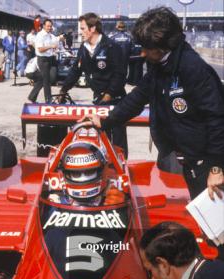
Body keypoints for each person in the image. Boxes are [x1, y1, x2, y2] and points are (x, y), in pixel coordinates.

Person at [87, 7, 224, 204]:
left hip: (206, 163)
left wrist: (216, 168)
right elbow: (137, 97)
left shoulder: (193, 69)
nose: (142, 53)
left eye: (145, 48)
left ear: (162, 47)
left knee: (213, 226)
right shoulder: (159, 66)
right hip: (181, 156)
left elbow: (217, 119)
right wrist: (106, 122)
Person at [59, 13, 127, 155]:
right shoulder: (84, 48)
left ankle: (122, 171)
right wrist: (63, 90)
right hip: (98, 99)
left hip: (116, 100)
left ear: (93, 28)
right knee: (103, 139)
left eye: (83, 28)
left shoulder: (111, 46)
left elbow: (120, 74)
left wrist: (109, 94)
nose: (80, 32)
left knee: (118, 142)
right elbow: (75, 71)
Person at [47, 125, 126, 206]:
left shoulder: (113, 191)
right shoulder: (55, 199)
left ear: (102, 171)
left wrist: (119, 206)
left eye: (89, 172)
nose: (83, 178)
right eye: (76, 174)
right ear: (66, 174)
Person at [28, 19, 62, 103]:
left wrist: (61, 38)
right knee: (47, 79)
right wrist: (50, 46)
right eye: (48, 26)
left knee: (43, 79)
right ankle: (48, 99)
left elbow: (56, 40)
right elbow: (40, 49)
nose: (49, 28)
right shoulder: (40, 35)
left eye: (50, 26)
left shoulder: (50, 35)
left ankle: (32, 97)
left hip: (50, 58)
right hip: (42, 59)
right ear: (43, 26)